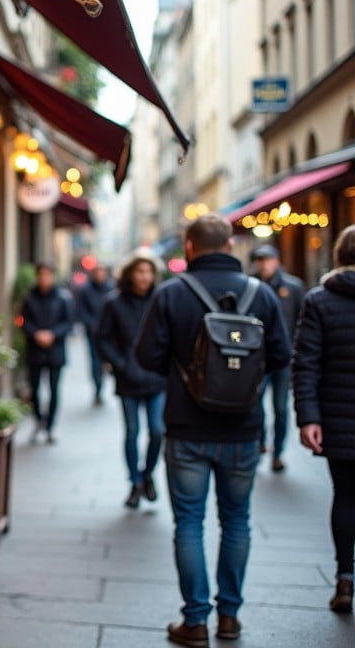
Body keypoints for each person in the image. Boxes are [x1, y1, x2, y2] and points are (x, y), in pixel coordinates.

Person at [136, 214, 289, 647]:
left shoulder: (170, 294)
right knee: (236, 520)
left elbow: (147, 357)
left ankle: (195, 621)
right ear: (229, 246)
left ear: (189, 248)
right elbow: (280, 356)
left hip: (187, 427)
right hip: (243, 429)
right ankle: (230, 618)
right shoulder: (261, 295)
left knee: (189, 522)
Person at [292, 224, 355, 614]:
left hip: (337, 417)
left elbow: (306, 364)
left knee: (345, 496)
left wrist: (308, 418)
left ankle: (345, 578)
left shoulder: (319, 299)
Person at [96, 249, 166, 509]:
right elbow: (101, 338)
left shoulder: (160, 299)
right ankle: (135, 481)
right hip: (128, 377)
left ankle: (148, 473)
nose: (145, 276)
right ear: (130, 274)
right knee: (132, 431)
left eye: (149, 271)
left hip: (156, 376)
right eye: (140, 271)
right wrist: (120, 364)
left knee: (157, 430)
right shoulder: (114, 302)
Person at [250, 243, 305, 472]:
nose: (264, 265)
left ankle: (278, 451)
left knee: (281, 408)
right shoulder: (251, 287)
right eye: (260, 260)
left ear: (276, 261)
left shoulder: (293, 287)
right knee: (255, 404)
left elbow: (302, 321)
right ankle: (261, 441)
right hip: (258, 358)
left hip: (283, 358)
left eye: (267, 259)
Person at [20, 261, 74, 444]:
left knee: (53, 390)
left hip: (55, 350)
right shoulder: (29, 297)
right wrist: (35, 334)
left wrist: (53, 334)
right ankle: (38, 419)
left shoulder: (63, 297)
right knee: (34, 389)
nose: (44, 278)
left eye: (47, 274)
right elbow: (23, 321)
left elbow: (69, 323)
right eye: (41, 274)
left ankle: (51, 426)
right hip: (34, 350)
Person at [76, 263, 114, 405]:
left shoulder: (111, 288)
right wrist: (92, 325)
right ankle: (98, 387)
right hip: (92, 333)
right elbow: (80, 311)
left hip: (108, 333)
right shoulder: (85, 290)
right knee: (95, 361)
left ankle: (104, 383)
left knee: (107, 360)